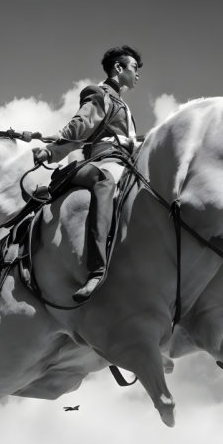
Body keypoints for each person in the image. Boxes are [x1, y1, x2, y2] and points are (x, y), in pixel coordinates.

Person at [33, 45, 142, 302]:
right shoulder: (99, 93)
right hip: (98, 162)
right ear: (119, 68)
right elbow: (82, 124)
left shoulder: (123, 105)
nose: (138, 75)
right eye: (134, 68)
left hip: (124, 161)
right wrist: (52, 148)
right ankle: (96, 268)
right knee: (104, 183)